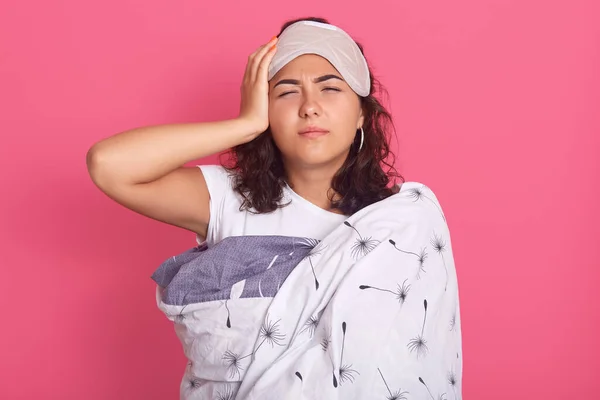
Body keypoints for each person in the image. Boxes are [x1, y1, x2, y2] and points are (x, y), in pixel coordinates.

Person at [88, 16, 462, 400]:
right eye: (286, 92)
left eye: (330, 88)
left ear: (361, 113)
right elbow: (108, 166)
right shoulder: (229, 197)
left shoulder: (399, 224)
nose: (310, 107)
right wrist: (245, 124)